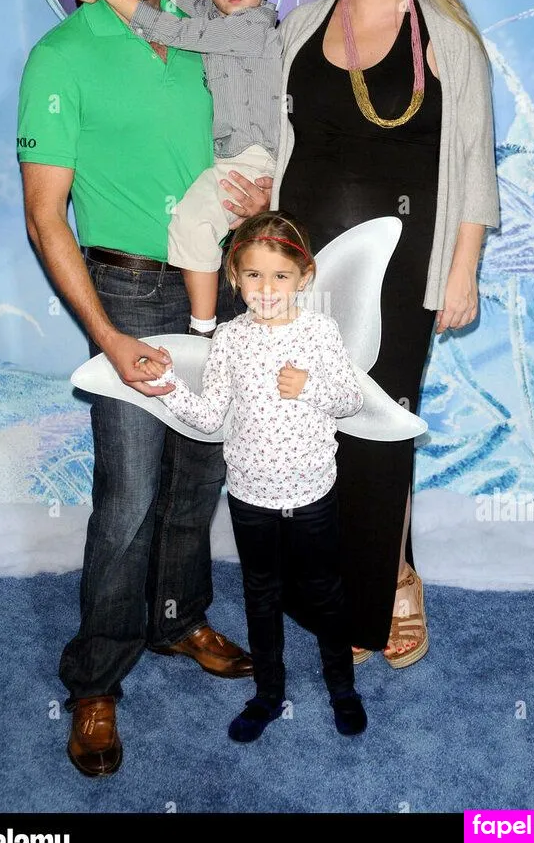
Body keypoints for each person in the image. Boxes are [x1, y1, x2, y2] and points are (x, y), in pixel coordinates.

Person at [17, 0, 257, 778]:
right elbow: (46, 218)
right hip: (124, 292)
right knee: (127, 497)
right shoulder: (60, 56)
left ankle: (177, 619)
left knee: (199, 479)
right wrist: (107, 337)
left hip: (220, 288)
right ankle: (95, 679)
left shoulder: (210, 33)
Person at [225, 0, 500, 668]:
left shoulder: (448, 38)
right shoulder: (300, 26)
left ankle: (377, 598)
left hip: (404, 268)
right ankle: (350, 579)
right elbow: (275, 136)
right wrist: (255, 194)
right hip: (300, 270)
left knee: (377, 425)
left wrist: (461, 269)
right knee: (310, 421)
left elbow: (473, 165)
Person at [142, 211, 368, 741]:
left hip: (312, 491)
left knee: (324, 591)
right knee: (260, 594)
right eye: (254, 276)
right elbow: (209, 418)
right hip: (250, 494)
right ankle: (268, 693)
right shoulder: (228, 339)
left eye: (280, 275)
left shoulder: (320, 332)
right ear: (234, 277)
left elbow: (351, 399)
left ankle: (342, 688)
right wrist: (170, 386)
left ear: (304, 276)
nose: (267, 289)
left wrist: (310, 387)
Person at [75, 0, 281, 339]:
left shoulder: (253, 26)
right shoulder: (211, 7)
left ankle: (203, 330)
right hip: (229, 154)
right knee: (197, 226)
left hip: (253, 155)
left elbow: (176, 29)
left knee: (192, 223)